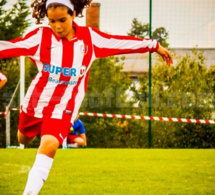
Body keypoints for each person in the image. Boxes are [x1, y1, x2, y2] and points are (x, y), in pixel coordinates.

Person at [0, 0, 173, 194]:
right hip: (35, 103)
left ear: (73, 15)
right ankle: (27, 133)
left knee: (49, 145)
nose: (57, 26)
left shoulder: (89, 39)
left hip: (64, 107)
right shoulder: (40, 38)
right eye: (52, 21)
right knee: (23, 139)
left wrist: (153, 45)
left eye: (62, 20)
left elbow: (120, 43)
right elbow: (7, 47)